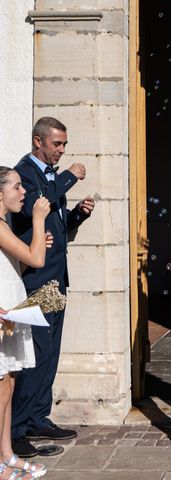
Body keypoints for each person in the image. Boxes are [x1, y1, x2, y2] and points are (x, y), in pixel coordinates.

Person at [10, 117, 95, 458]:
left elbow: (54, 223)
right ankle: (16, 429)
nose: (61, 150)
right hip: (36, 280)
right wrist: (70, 176)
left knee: (51, 352)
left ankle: (37, 417)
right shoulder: (25, 174)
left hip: (58, 276)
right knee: (35, 353)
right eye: (57, 144)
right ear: (38, 141)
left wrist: (77, 216)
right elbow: (34, 208)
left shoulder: (49, 179)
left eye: (64, 145)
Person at [0, 166, 52, 479]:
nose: (23, 193)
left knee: (9, 382)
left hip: (10, 309)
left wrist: (34, 245)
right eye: (17, 187)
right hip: (3, 312)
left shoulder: (3, 224)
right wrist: (38, 217)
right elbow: (36, 260)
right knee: (2, 387)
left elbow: (21, 258)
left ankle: (6, 455)